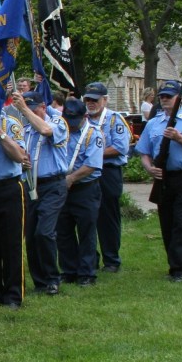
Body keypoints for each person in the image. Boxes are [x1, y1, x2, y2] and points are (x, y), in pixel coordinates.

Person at [135, 80, 182, 282]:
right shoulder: (154, 123)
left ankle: (178, 268)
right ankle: (173, 260)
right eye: (162, 96)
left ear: (178, 98)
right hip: (164, 177)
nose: (164, 99)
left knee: (181, 220)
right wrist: (149, 168)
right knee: (167, 221)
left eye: (168, 96)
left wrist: (180, 138)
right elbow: (143, 151)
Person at [11, 90, 69, 295]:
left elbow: (46, 130)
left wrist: (25, 110)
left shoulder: (58, 123)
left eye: (33, 108)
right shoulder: (26, 131)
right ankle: (40, 281)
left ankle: (53, 278)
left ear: (43, 108)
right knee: (32, 234)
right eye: (26, 109)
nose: (28, 113)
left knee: (45, 232)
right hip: (31, 185)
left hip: (53, 185)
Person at [56, 98, 104, 286]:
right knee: (63, 230)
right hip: (62, 187)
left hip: (85, 188)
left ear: (84, 117)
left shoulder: (93, 134)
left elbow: (92, 165)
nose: (72, 125)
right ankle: (69, 270)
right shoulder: (62, 129)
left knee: (86, 231)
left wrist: (72, 178)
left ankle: (87, 272)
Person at [83, 82, 131, 273]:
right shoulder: (82, 119)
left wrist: (94, 153)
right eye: (88, 99)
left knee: (108, 217)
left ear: (105, 100)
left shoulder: (114, 119)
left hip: (108, 172)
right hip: (87, 173)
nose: (91, 103)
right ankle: (89, 259)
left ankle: (111, 259)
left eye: (95, 100)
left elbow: (120, 147)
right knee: (87, 217)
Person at [0, 108, 28, 308]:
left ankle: (13, 294)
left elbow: (21, 156)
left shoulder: (10, 123)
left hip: (8, 187)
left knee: (11, 244)